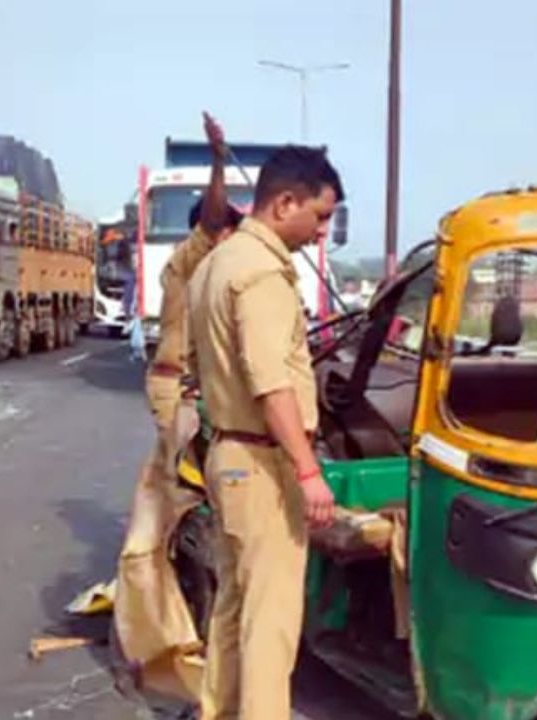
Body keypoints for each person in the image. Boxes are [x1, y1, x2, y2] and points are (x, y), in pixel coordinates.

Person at [187, 145, 343, 720]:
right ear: (284, 203)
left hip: (229, 454)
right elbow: (270, 384)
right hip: (262, 463)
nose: (322, 233)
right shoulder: (260, 273)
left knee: (232, 607)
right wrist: (307, 471)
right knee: (270, 624)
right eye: (320, 216)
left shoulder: (217, 265)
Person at [113, 112, 242, 687]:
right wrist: (218, 160)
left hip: (210, 393)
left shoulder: (232, 277)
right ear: (209, 232)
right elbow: (214, 215)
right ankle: (186, 610)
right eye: (227, 231)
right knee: (191, 500)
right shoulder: (189, 264)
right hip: (180, 391)